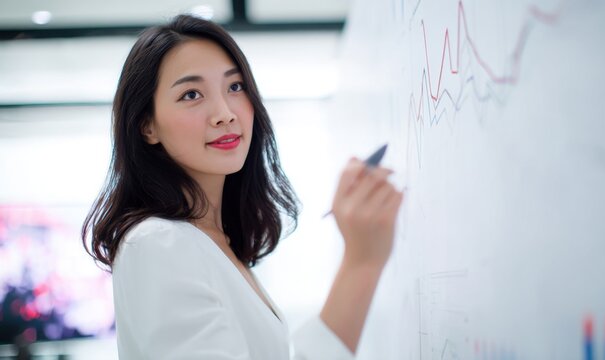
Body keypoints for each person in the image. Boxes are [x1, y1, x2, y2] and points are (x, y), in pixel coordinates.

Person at [82, 14, 403, 360]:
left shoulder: (216, 243)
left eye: (235, 87)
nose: (225, 113)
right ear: (147, 127)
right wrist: (361, 263)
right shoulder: (158, 243)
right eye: (192, 94)